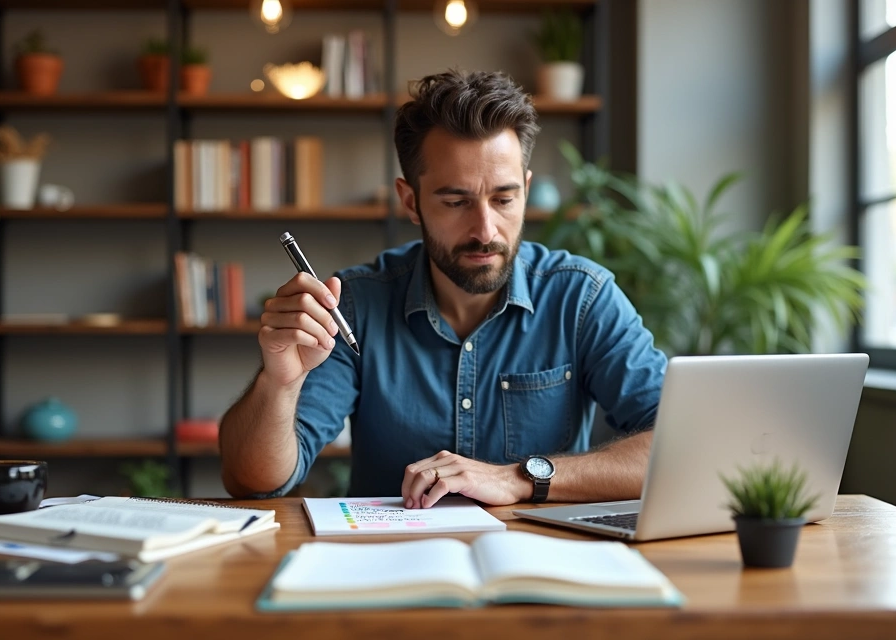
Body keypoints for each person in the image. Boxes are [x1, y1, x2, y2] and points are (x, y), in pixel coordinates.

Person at [220, 69, 667, 509]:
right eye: (456, 202)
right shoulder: (354, 305)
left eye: (504, 199)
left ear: (526, 192)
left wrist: (518, 478)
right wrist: (278, 383)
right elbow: (254, 483)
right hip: (389, 567)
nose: (485, 229)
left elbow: (676, 446)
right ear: (411, 201)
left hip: (541, 562)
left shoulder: (582, 298)